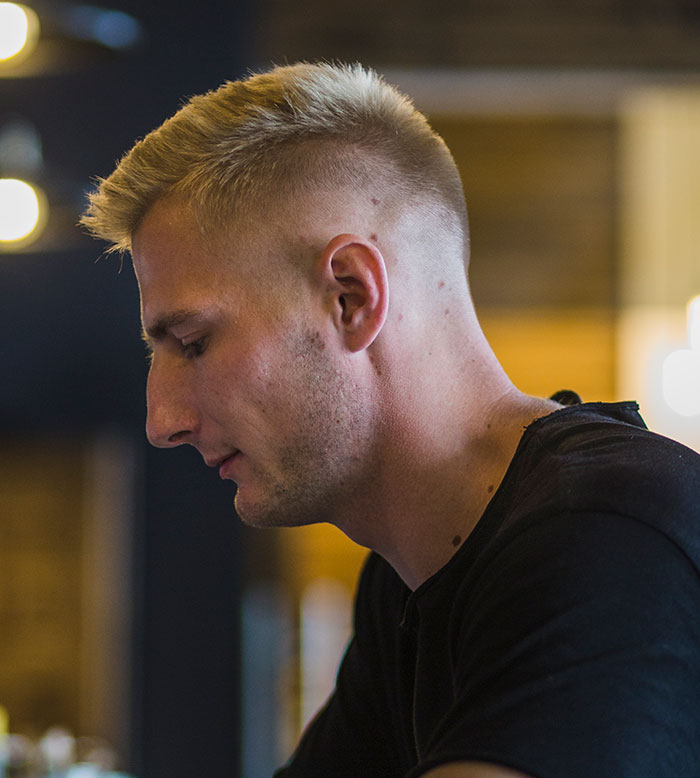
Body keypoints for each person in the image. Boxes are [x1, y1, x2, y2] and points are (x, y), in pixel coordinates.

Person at [80, 63, 700, 778]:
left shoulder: (609, 534)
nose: (163, 421)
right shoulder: (409, 574)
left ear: (350, 297)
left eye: (193, 343)